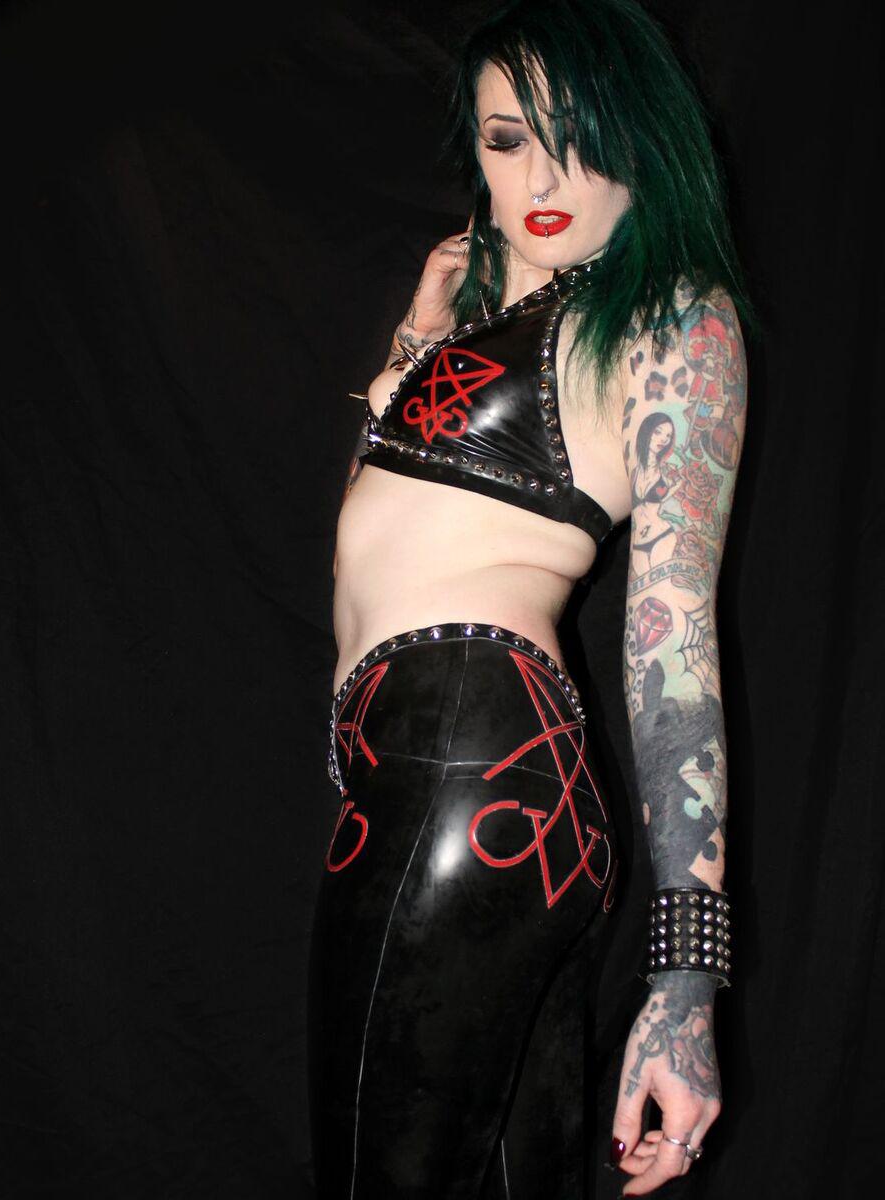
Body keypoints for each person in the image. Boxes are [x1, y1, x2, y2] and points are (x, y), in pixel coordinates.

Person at [308, 0, 749, 1196]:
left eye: (579, 137)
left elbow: (674, 640)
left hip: (465, 761)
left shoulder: (669, 317)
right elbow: (361, 541)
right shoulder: (504, 319)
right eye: (508, 140)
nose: (541, 178)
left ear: (645, 140)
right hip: (448, 773)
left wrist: (686, 979)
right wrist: (421, 332)